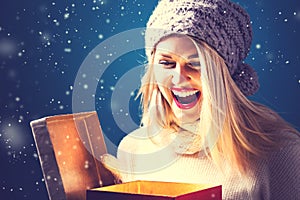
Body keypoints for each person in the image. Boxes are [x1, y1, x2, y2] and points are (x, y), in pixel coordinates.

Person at [102, 0, 300, 199]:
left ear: (221, 74)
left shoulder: (280, 153)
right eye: (167, 63)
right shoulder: (134, 148)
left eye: (195, 64)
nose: (178, 78)